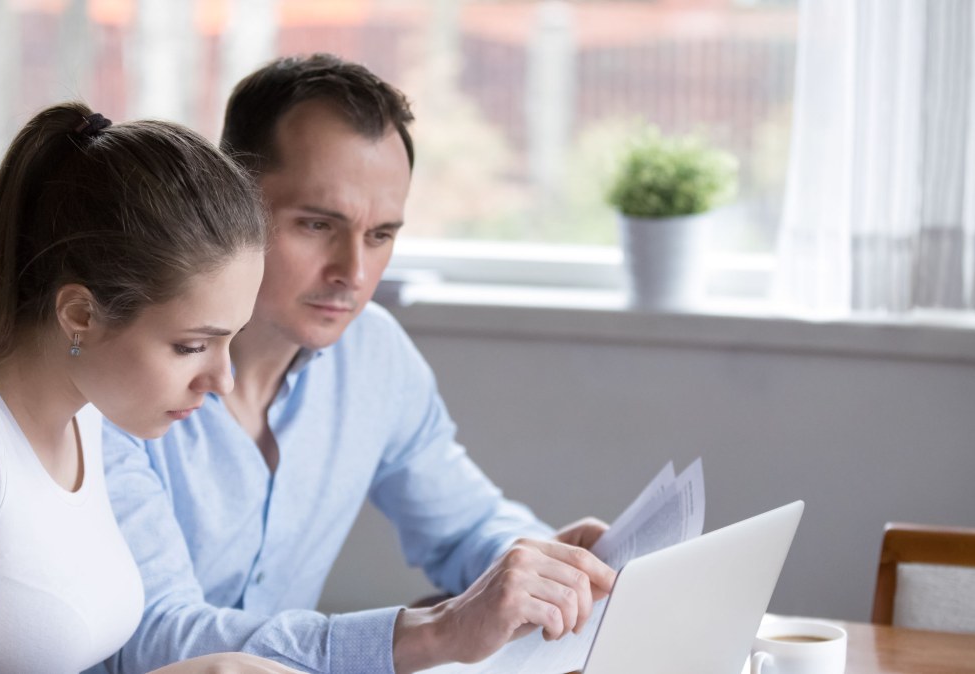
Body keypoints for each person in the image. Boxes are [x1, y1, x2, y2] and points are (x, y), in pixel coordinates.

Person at [98, 55, 617, 674]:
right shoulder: (118, 373)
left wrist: (539, 564)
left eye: (380, 236)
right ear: (231, 199)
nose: (354, 272)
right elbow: (149, 637)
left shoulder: (372, 354)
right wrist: (430, 632)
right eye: (318, 224)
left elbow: (464, 524)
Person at [0, 102, 299, 674]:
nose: (223, 380)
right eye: (191, 346)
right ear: (80, 314)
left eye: (231, 339)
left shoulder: (82, 415)